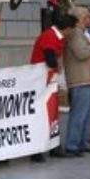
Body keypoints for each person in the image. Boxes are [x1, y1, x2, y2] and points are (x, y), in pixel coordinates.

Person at [29, 11, 69, 162]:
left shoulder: (56, 36)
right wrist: (57, 65)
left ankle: (53, 145)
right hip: (42, 81)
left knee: (52, 115)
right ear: (67, 28)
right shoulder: (49, 36)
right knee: (42, 114)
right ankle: (37, 150)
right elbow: (50, 59)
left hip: (50, 81)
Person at [63, 7, 90, 156]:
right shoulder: (75, 34)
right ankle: (72, 145)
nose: (89, 19)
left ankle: (83, 142)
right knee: (79, 114)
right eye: (86, 16)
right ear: (78, 18)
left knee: (88, 114)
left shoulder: (82, 33)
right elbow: (82, 53)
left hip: (87, 78)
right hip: (79, 79)